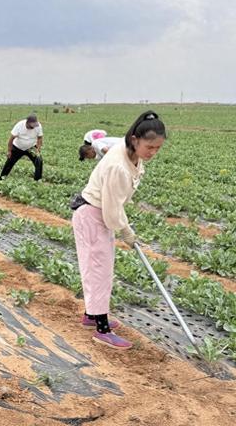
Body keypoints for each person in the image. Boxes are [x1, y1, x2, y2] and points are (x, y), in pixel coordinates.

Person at [71, 111, 166, 350]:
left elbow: (114, 207)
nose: (153, 152)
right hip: (93, 215)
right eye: (149, 147)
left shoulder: (131, 154)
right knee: (98, 270)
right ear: (135, 140)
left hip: (98, 214)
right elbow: (112, 212)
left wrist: (123, 226)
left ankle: (91, 315)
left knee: (99, 268)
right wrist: (126, 231)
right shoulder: (118, 166)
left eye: (157, 148)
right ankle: (101, 329)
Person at [0, 113, 43, 181]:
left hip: (31, 147)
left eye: (35, 125)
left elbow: (40, 138)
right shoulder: (19, 125)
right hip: (17, 147)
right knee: (9, 163)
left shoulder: (38, 126)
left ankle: (37, 180)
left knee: (39, 160)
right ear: (27, 122)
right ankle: (1, 179)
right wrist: (9, 151)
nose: (34, 126)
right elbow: (11, 139)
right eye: (32, 125)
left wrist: (38, 148)